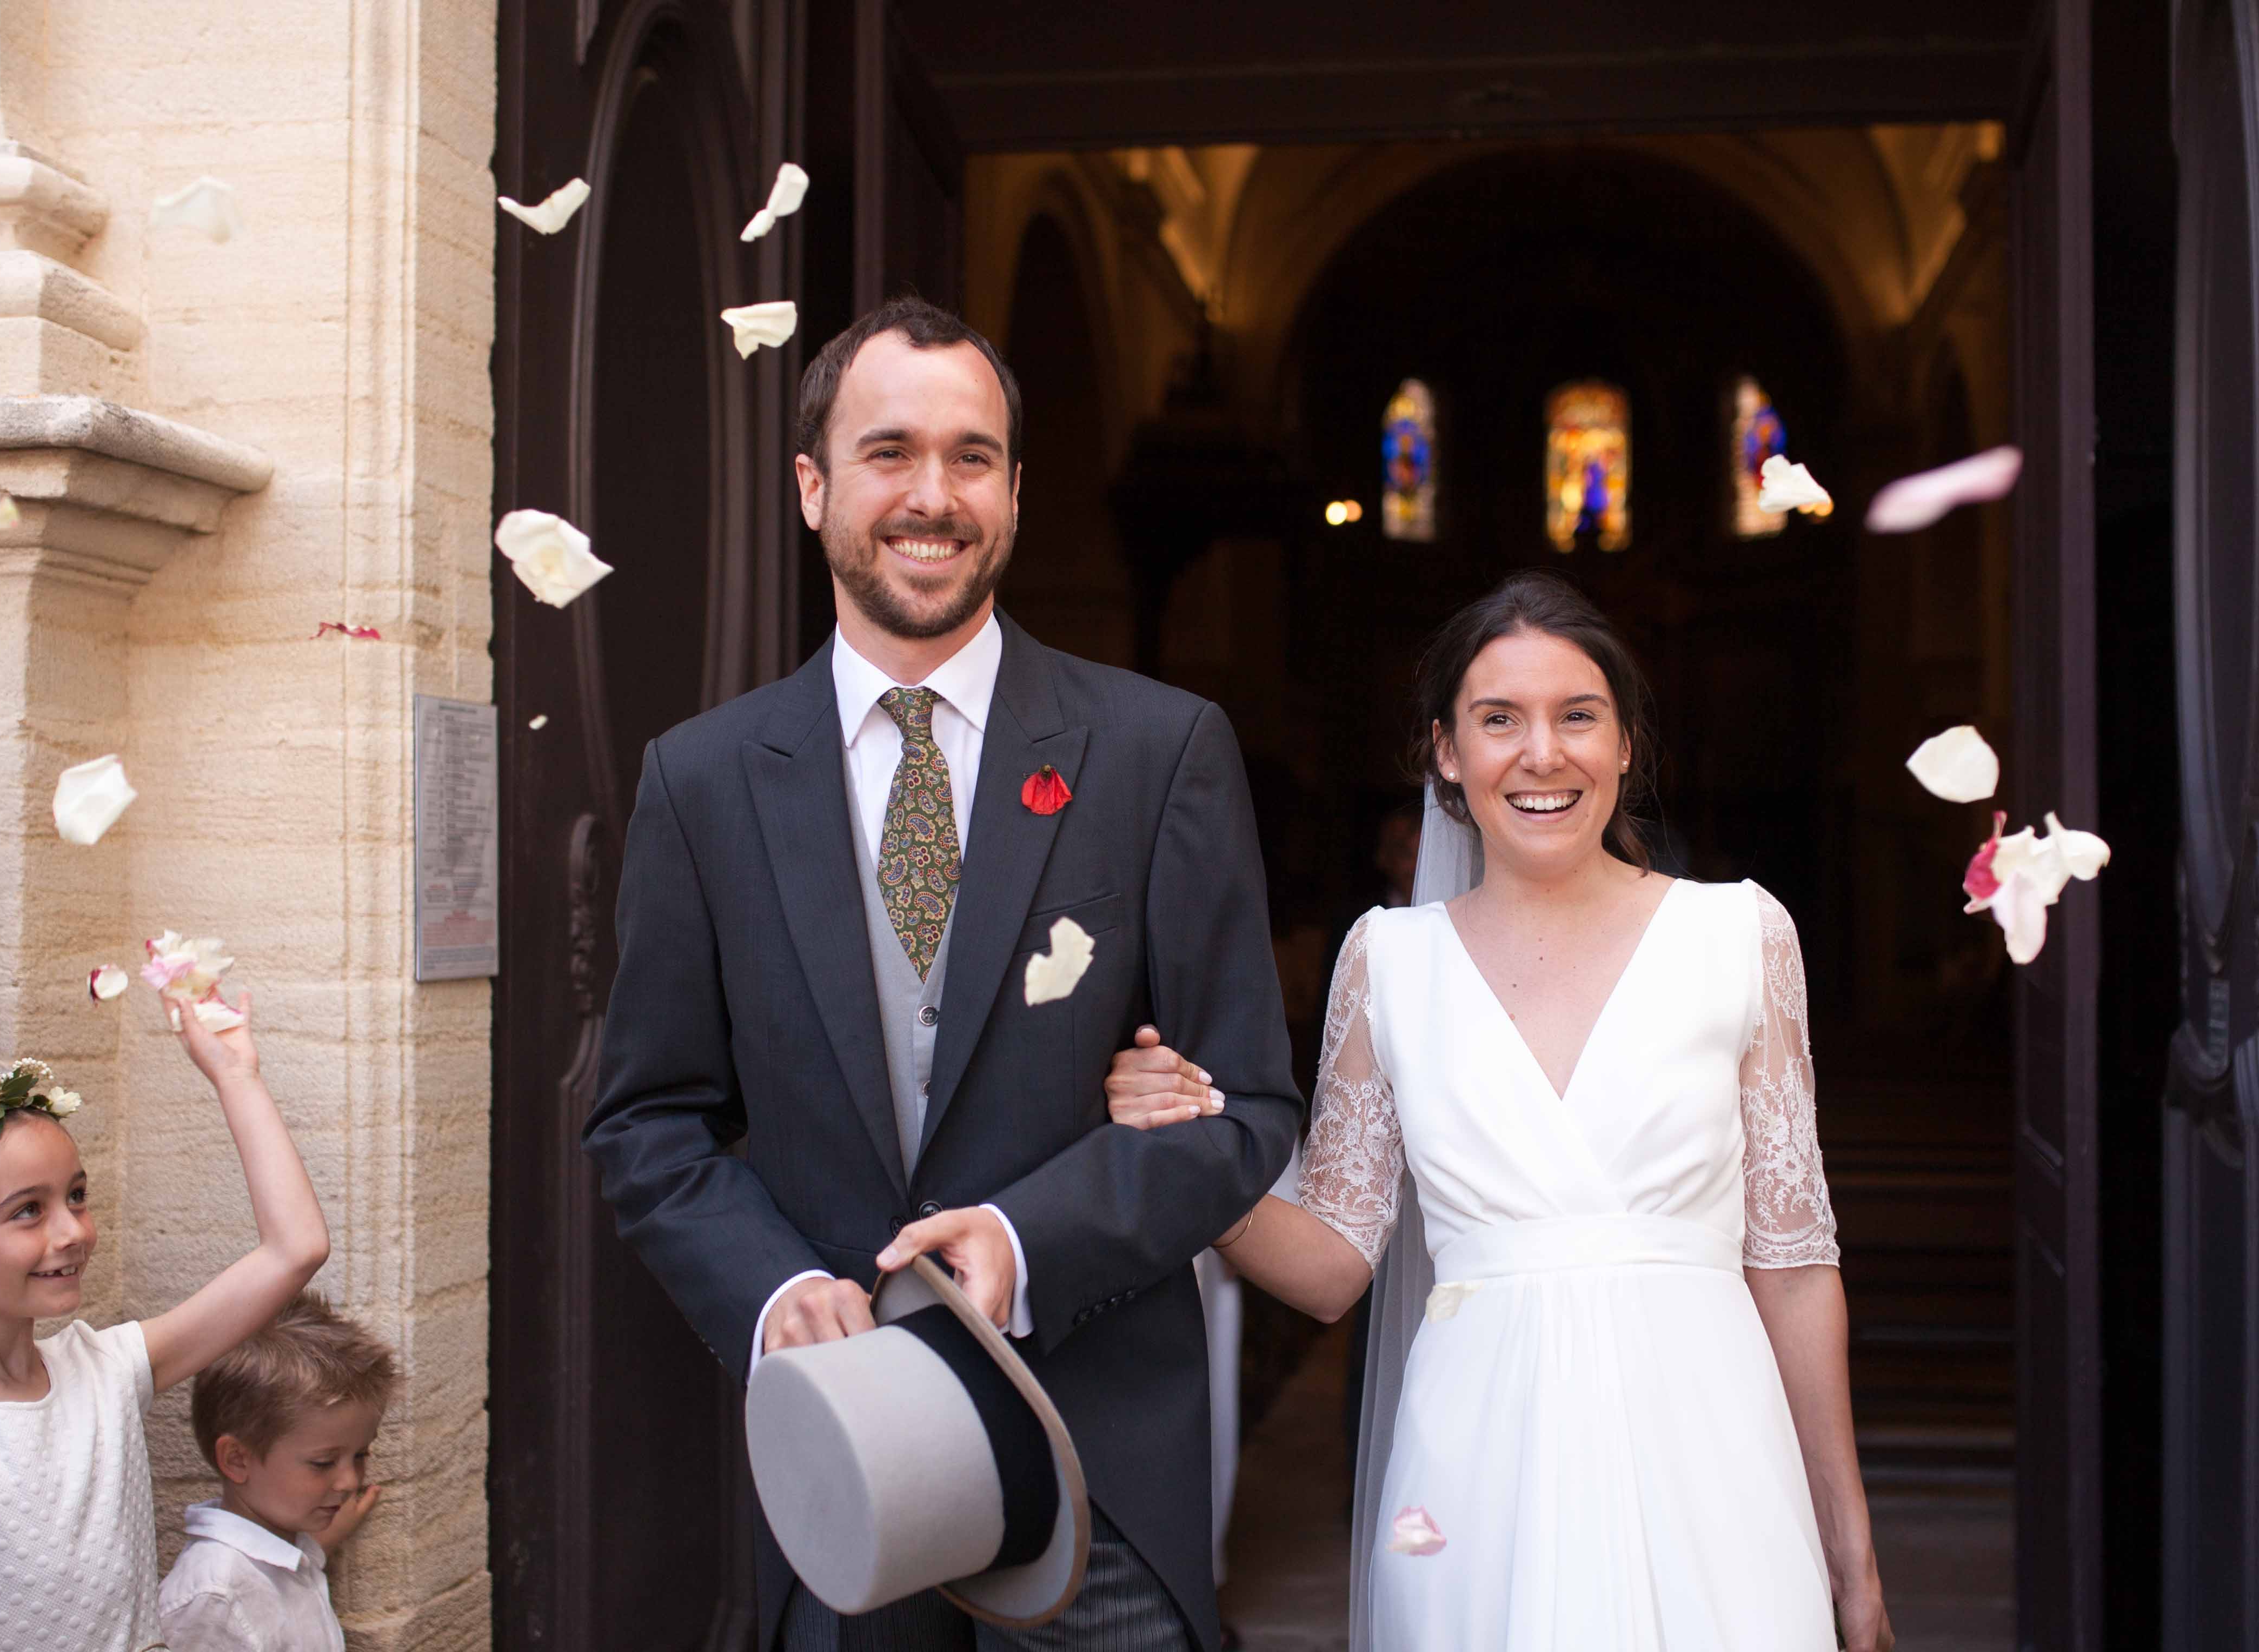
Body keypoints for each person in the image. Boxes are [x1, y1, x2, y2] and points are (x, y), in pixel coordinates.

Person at [583, 295, 1305, 1652]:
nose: (932, 495)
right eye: (889, 452)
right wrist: (774, 1290)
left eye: (971, 457)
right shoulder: (704, 779)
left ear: (1015, 493)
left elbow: (1249, 1109)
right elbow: (647, 1120)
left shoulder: (1156, 752)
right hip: (846, 1472)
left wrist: (1031, 1241)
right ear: (813, 487)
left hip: (1096, 1475)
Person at [1105, 570, 1895, 1651]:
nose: (1541, 753)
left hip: (1716, 1464)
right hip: (1476, 1471)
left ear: (1626, 743)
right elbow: (1332, 1267)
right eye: (1497, 719)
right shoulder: (1389, 962)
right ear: (1445, 751)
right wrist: (1189, 1155)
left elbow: (1794, 1269)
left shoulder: (1740, 937)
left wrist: (1852, 1560)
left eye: (1578, 716)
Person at [0, 997, 331, 1652]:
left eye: (76, 1196)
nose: (73, 1231)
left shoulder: (106, 1371)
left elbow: (296, 1248)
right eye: (27, 1210)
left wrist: (235, 1074)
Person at [160, 1292, 397, 1651]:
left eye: (361, 1454)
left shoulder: (282, 1544)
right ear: (237, 1460)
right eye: (323, 1463)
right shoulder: (216, 1599)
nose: (351, 1481)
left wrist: (317, 1544)